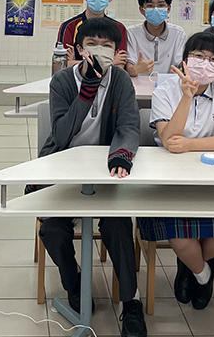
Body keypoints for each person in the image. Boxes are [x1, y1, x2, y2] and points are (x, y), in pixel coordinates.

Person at [36, 17, 147, 337]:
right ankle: (74, 280)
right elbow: (61, 133)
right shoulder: (62, 81)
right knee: (52, 228)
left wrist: (121, 155)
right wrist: (86, 91)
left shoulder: (120, 80)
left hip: (105, 168)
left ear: (117, 51)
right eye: (92, 45)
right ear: (78, 49)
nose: (100, 51)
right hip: (65, 165)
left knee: (118, 224)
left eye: (107, 46)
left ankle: (131, 302)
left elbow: (129, 126)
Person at [136, 32, 214, 310]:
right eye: (198, 56)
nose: (205, 63)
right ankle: (203, 273)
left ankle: (191, 265)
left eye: (213, 59)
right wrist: (186, 96)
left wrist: (190, 145)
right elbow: (169, 140)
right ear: (185, 59)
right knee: (182, 239)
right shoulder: (165, 91)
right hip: (171, 180)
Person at [56, 0, 128, 68]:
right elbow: (62, 64)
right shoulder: (69, 27)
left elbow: (120, 65)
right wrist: (110, 62)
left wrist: (75, 62)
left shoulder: (119, 28)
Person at [125, 0, 186, 77]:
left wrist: (180, 71)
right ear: (141, 9)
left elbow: (182, 63)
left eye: (161, 5)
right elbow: (129, 66)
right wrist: (135, 70)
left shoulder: (178, 33)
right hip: (139, 85)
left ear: (168, 9)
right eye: (150, 6)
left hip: (170, 84)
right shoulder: (131, 33)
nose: (156, 9)